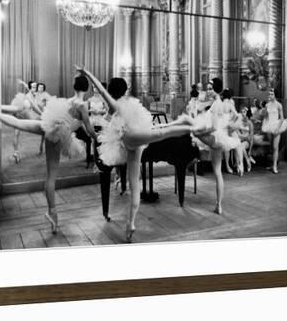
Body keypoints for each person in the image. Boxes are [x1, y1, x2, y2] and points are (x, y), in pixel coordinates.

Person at [77, 66, 213, 242]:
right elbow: (103, 91)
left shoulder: (115, 106)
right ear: (125, 90)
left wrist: (87, 73)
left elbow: (102, 91)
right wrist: (87, 73)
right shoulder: (124, 104)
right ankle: (191, 126)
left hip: (130, 143)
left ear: (112, 91)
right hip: (132, 138)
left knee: (135, 186)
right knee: (161, 132)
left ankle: (131, 223)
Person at [0, 75, 97, 235]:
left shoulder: (69, 100)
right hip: (58, 134)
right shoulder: (82, 105)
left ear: (74, 87)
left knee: (18, 123)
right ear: (87, 89)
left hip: (49, 125)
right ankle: (52, 213)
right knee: (51, 176)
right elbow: (89, 129)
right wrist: (98, 139)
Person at [192, 78, 242, 214]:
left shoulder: (216, 105)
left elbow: (213, 127)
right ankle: (218, 205)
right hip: (221, 139)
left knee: (194, 132)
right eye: (207, 88)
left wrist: (199, 132)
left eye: (209, 88)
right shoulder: (219, 103)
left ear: (215, 89)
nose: (207, 91)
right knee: (218, 173)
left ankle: (195, 149)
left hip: (215, 138)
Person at [1, 80, 42, 163]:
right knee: (5, 109)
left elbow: (28, 88)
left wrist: (24, 84)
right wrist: (43, 114)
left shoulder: (33, 94)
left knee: (16, 134)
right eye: (33, 87)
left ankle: (16, 152)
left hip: (21, 115)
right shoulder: (29, 96)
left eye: (36, 87)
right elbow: (35, 107)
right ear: (31, 88)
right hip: (21, 112)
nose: (35, 88)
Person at [261, 88, 287, 174]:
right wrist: (264, 113)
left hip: (277, 126)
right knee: (271, 147)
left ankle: (274, 166)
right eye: (269, 94)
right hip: (269, 126)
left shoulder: (279, 105)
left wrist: (277, 129)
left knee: (275, 147)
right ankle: (272, 164)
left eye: (271, 94)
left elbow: (281, 118)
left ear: (275, 95)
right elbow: (265, 116)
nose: (270, 95)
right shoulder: (267, 105)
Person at [35, 83, 53, 154]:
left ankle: (42, 145)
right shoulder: (35, 94)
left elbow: (51, 100)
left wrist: (45, 105)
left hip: (43, 113)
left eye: (42, 87)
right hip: (36, 112)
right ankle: (42, 146)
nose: (41, 89)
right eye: (39, 87)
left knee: (44, 131)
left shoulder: (45, 94)